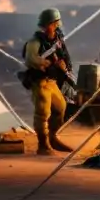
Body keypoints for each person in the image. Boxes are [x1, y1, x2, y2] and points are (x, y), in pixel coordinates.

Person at [22, 8, 74, 156]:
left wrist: (65, 66)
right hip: (40, 81)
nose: (57, 26)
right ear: (48, 24)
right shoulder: (35, 42)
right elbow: (30, 59)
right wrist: (49, 64)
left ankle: (52, 137)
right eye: (55, 23)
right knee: (43, 112)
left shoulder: (57, 39)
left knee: (60, 107)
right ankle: (43, 144)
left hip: (52, 81)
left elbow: (63, 53)